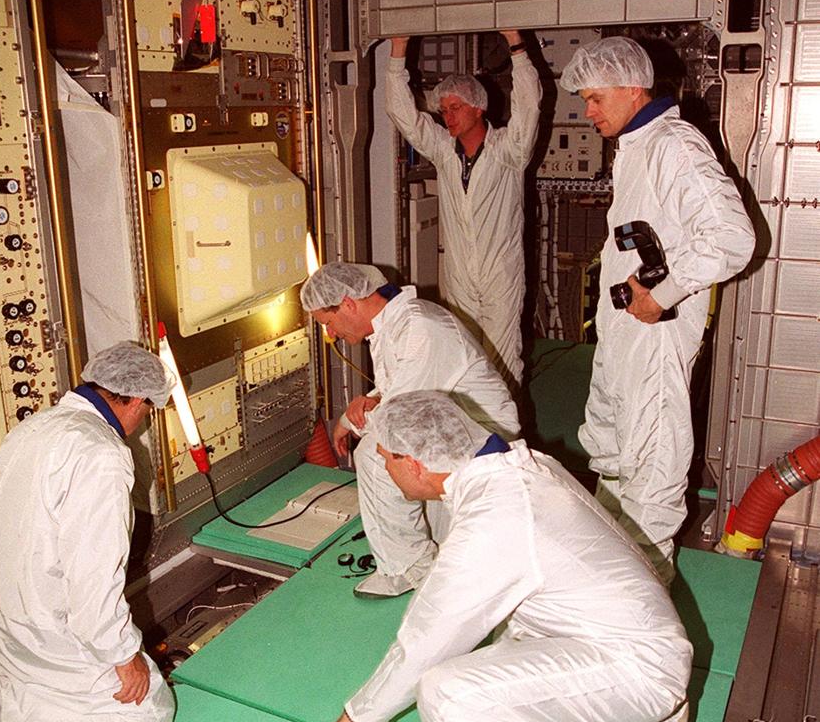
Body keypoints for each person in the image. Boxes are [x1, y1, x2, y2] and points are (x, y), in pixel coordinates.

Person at [322, 391, 693, 722]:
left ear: (415, 463)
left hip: (635, 671)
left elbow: (426, 641)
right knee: (484, 668)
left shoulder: (497, 517)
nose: (381, 464)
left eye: (387, 457)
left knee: (448, 694)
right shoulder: (517, 468)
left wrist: (356, 717)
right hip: (609, 643)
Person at [560, 37, 755, 585]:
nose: (588, 111)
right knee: (614, 452)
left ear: (632, 87)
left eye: (596, 98)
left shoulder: (673, 145)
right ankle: (609, 585)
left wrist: (662, 293)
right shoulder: (638, 146)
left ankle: (643, 618)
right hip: (626, 339)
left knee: (651, 473)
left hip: (655, 340)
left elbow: (732, 238)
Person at [0, 343, 177, 722]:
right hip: (47, 630)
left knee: (49, 658)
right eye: (146, 411)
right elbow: (93, 580)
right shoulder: (102, 455)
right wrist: (124, 656)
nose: (140, 424)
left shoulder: (34, 429)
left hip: (2, 623)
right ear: (133, 399)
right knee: (149, 716)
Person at [301, 263, 519, 598]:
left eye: (328, 323)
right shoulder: (394, 324)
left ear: (347, 303)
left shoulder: (421, 328)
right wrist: (367, 403)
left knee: (377, 458)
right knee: (452, 541)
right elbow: (397, 390)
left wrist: (352, 421)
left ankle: (409, 570)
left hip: (480, 434)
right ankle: (427, 562)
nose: (330, 334)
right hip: (453, 426)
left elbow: (400, 419)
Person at [385, 29, 541, 389]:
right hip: (458, 277)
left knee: (502, 363)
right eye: (443, 110)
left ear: (478, 107)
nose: (448, 117)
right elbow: (403, 115)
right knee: (463, 359)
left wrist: (516, 46)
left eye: (455, 108)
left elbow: (529, 107)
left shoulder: (508, 151)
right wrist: (398, 51)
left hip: (500, 275)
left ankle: (509, 438)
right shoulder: (443, 151)